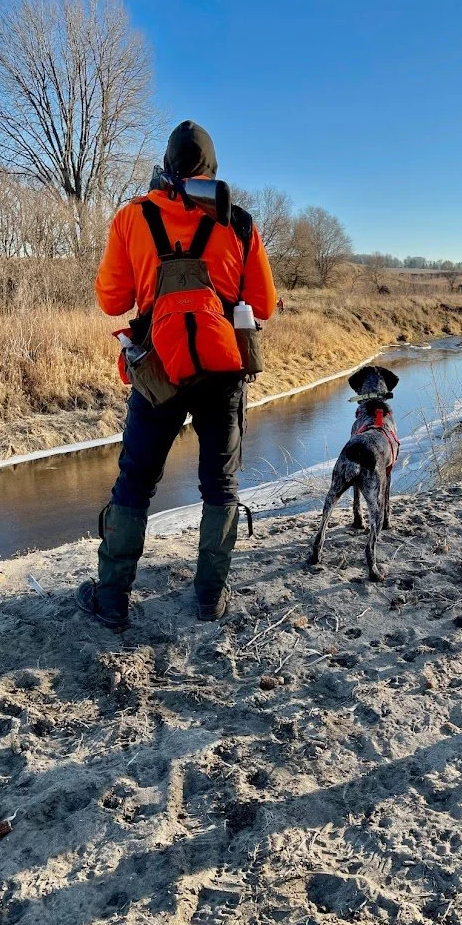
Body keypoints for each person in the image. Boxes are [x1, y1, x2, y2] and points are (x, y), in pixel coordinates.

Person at [76, 121, 277, 629]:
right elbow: (267, 308)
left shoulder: (132, 218)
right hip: (223, 373)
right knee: (219, 484)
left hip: (157, 374)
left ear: (166, 168)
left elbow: (112, 301)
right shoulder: (241, 223)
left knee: (136, 481)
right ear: (213, 174)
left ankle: (113, 598)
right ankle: (210, 597)